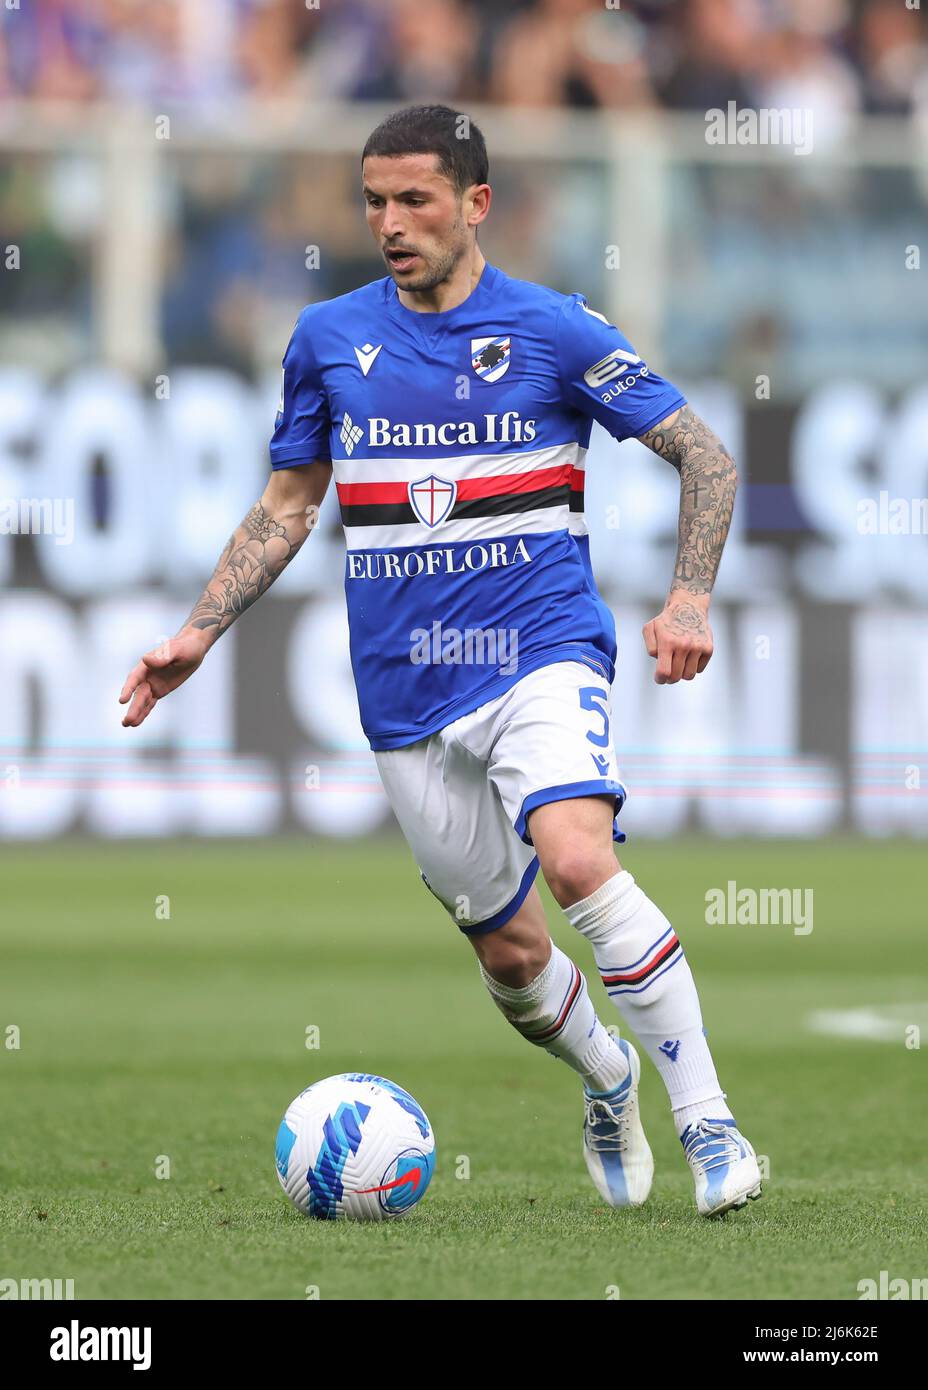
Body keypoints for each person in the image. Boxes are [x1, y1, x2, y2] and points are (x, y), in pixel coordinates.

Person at [120, 104, 761, 1218]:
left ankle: (708, 1120)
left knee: (574, 858)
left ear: (476, 204)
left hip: (540, 649)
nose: (390, 223)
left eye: (415, 199)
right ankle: (607, 1078)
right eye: (374, 201)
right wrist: (199, 628)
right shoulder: (326, 338)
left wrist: (689, 595)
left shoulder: (556, 330)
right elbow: (287, 505)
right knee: (513, 960)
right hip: (404, 687)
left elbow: (704, 457)